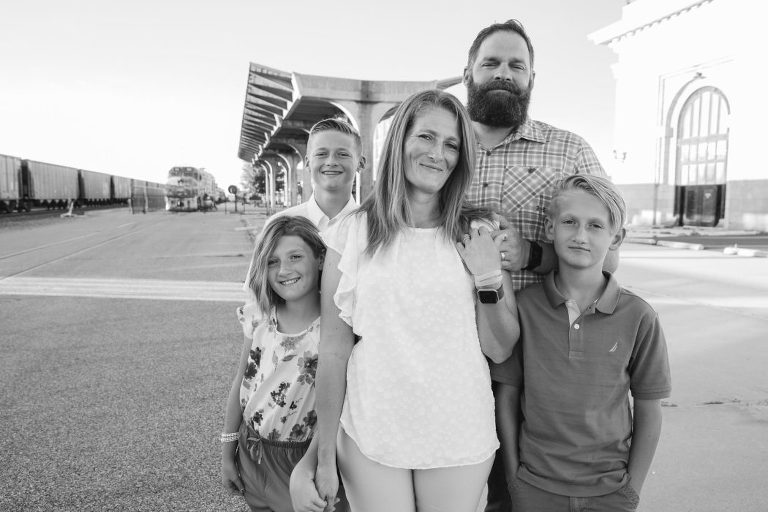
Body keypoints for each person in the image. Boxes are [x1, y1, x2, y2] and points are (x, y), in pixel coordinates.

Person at [311, 89, 520, 512]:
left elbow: (500, 347)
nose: (437, 154)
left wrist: (487, 275)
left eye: (451, 144)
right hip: (372, 427)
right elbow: (333, 350)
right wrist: (323, 453)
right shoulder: (351, 233)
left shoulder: (479, 230)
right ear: (400, 141)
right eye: (426, 137)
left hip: (458, 429)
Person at [461, 19, 615, 510]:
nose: (503, 73)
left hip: (534, 356)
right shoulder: (438, 146)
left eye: (516, 65)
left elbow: (606, 248)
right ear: (468, 73)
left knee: (518, 488)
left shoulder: (570, 150)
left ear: (531, 79)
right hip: (439, 351)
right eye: (491, 63)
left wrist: (531, 252)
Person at [492, 174, 671, 511]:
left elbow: (649, 407)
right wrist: (515, 480)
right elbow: (508, 395)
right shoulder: (524, 308)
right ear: (549, 229)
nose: (579, 235)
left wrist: (631, 490)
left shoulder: (639, 316)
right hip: (534, 487)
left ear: (617, 238)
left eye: (595, 226)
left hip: (610, 492)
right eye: (569, 222)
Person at [221, 216, 328, 512]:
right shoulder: (259, 316)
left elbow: (339, 408)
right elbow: (241, 381)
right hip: (251, 451)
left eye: (296, 257)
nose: (284, 270)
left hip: (300, 459)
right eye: (272, 261)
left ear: (320, 259)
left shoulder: (334, 328)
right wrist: (227, 450)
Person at [243, 118, 365, 306]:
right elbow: (256, 299)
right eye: (322, 154)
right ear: (307, 162)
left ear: (360, 163)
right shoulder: (279, 224)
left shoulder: (373, 227)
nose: (331, 161)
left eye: (342, 154)